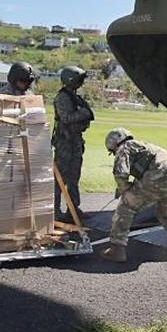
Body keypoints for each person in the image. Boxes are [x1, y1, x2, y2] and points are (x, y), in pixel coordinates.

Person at [100, 127, 167, 263]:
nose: (114, 153)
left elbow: (120, 174)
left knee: (126, 207)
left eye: (112, 151)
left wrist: (125, 189)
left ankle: (117, 249)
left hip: (159, 175)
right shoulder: (143, 146)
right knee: (165, 210)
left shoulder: (125, 147)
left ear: (115, 144)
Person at [52, 66, 93, 220]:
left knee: (74, 176)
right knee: (60, 177)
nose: (81, 83)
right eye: (79, 80)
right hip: (65, 142)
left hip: (75, 140)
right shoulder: (62, 97)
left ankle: (73, 208)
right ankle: (55, 210)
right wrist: (84, 113)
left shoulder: (74, 96)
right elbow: (66, 118)